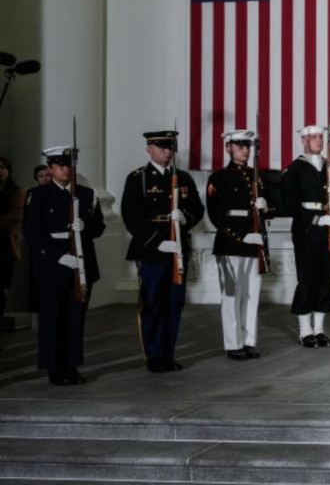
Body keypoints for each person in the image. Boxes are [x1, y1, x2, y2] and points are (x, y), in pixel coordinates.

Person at [122, 130, 204, 373]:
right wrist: (157, 241)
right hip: (152, 250)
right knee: (153, 302)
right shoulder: (139, 178)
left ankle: (168, 353)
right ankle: (154, 355)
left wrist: (184, 218)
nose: (167, 152)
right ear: (149, 149)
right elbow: (132, 217)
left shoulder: (183, 178)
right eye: (161, 147)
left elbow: (197, 209)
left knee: (174, 302)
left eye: (169, 148)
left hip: (178, 247)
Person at [24, 146, 105, 384]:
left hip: (80, 263)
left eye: (69, 165)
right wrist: (57, 256)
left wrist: (86, 227)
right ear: (50, 168)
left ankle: (71, 366)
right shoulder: (38, 195)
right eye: (60, 166)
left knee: (75, 318)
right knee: (52, 318)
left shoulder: (87, 194)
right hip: (52, 265)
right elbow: (32, 234)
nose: (66, 170)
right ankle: (54, 368)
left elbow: (99, 227)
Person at [280, 124, 330, 347]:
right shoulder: (294, 169)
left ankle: (319, 329)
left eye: (321, 137)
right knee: (308, 278)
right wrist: (315, 219)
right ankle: (305, 330)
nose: (319, 141)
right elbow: (289, 203)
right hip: (307, 230)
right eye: (314, 138)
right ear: (303, 141)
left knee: (326, 278)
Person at [205, 130, 271, 360]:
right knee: (232, 295)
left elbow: (270, 206)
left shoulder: (256, 176)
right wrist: (241, 236)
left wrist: (266, 207)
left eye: (247, 146)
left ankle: (249, 340)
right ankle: (234, 344)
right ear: (228, 148)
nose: (245, 150)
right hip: (231, 243)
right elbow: (216, 215)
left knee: (251, 294)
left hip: (254, 242)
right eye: (240, 145)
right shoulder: (219, 178)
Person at [0, 157, 20, 324]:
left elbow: (15, 216)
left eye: (3, 167)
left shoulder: (16, 191)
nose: (0, 171)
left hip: (5, 243)